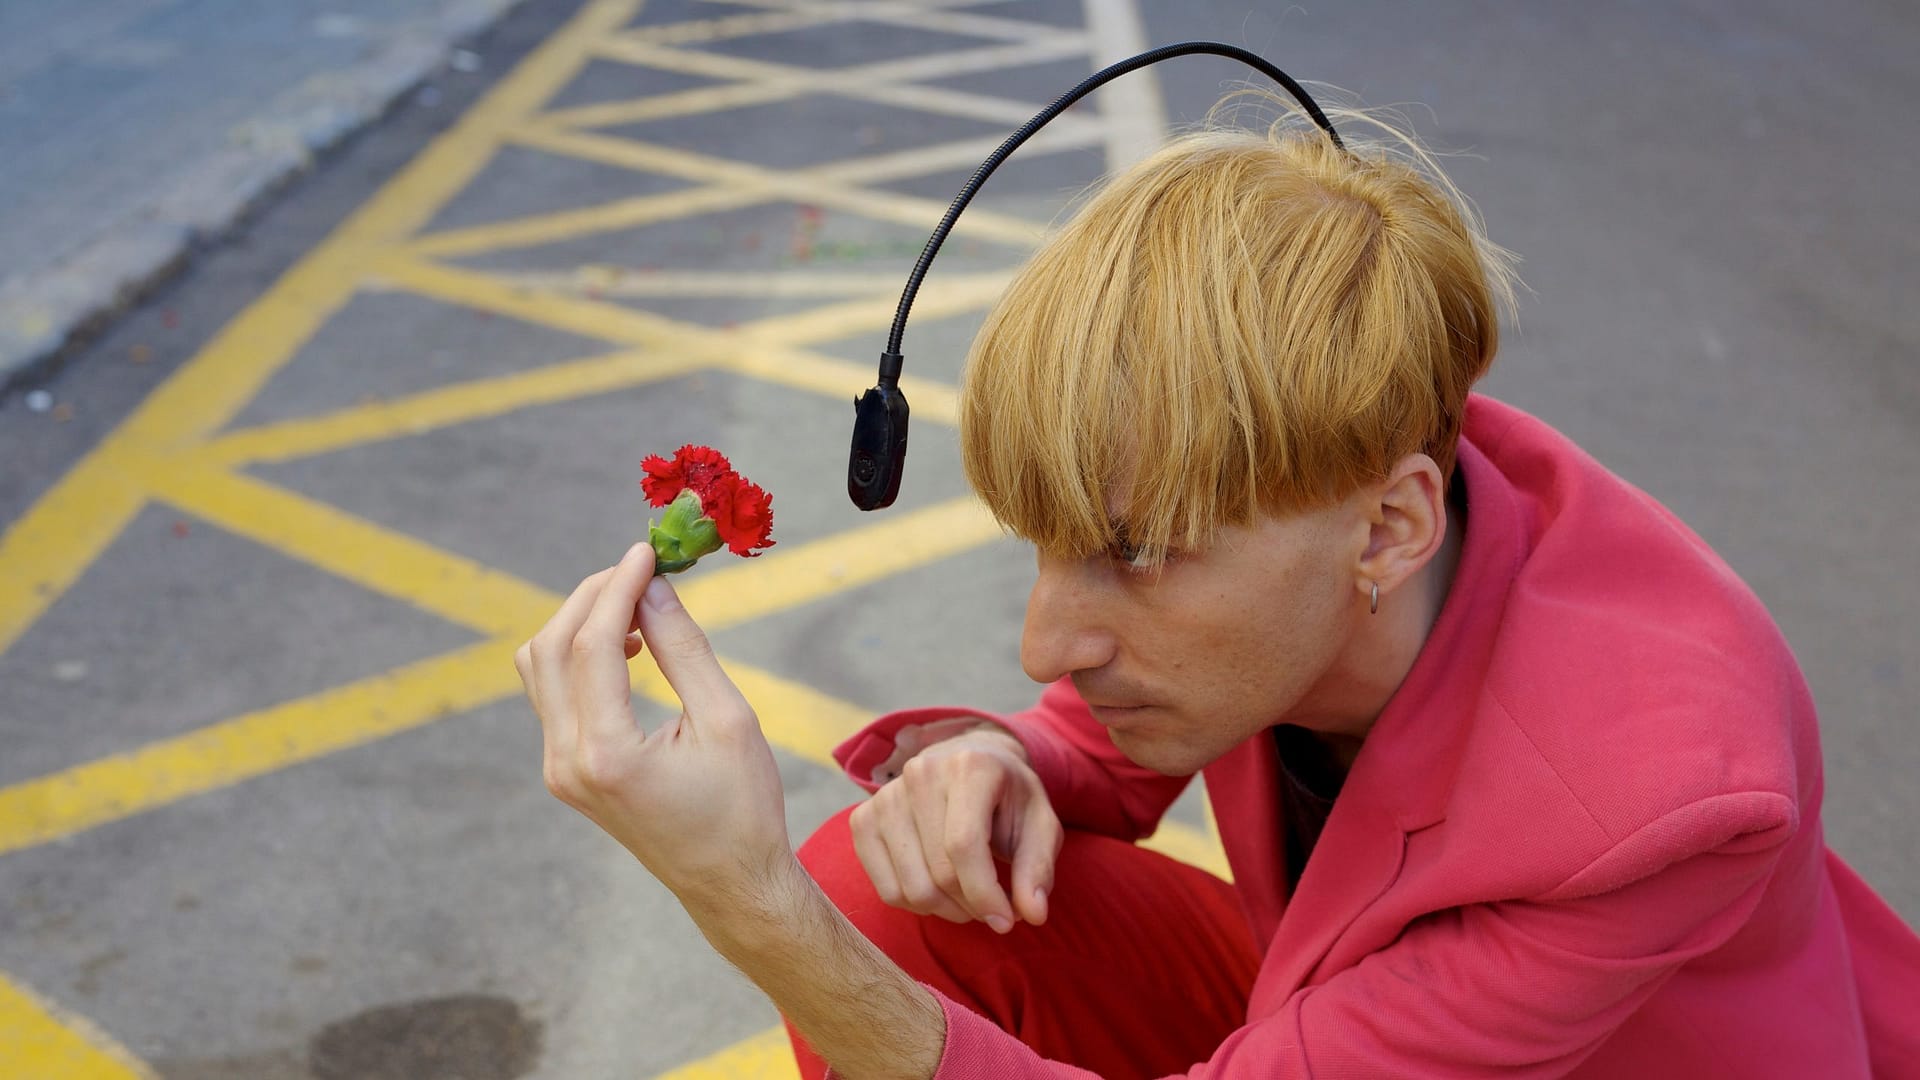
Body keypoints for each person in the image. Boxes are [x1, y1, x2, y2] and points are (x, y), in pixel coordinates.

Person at [514, 104, 1920, 1078]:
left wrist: (748, 904)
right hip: (1340, 1002)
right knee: (894, 887)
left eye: (1133, 553)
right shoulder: (1355, 472)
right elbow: (1097, 724)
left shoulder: (1651, 804)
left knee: (820, 919)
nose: (1045, 642)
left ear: (1391, 530)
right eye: (1045, 545)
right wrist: (1014, 755)